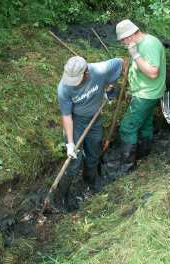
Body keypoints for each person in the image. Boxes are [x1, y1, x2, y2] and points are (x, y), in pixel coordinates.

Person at [52, 56, 124, 211]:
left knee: (93, 154)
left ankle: (90, 183)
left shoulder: (99, 70)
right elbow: (66, 116)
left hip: (95, 119)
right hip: (76, 122)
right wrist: (70, 143)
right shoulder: (64, 88)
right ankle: (61, 196)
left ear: (86, 73)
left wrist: (110, 87)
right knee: (74, 162)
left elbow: (121, 63)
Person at [115, 19, 166, 171]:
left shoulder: (149, 44)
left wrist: (135, 55)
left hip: (146, 94)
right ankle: (144, 154)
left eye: (123, 39)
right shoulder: (138, 44)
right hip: (149, 92)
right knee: (145, 124)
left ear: (129, 35)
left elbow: (152, 73)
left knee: (127, 127)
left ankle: (127, 166)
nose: (123, 43)